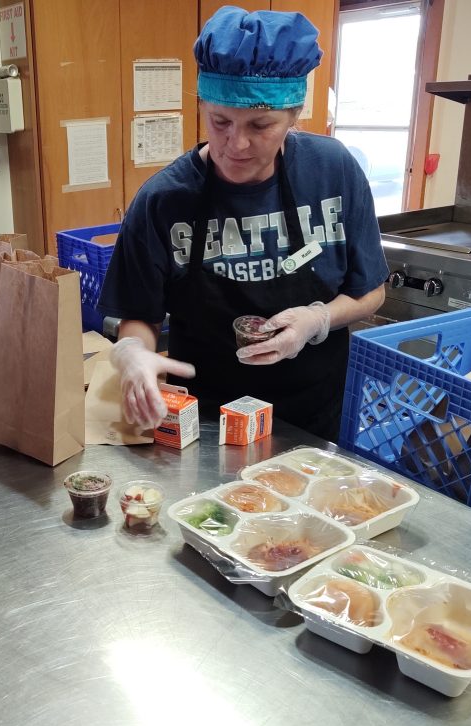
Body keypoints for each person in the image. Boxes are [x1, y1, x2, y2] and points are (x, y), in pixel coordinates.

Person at [98, 6, 388, 442]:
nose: (236, 143)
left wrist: (318, 319)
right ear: (202, 106)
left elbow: (370, 292)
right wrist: (133, 354)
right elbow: (139, 314)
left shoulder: (333, 172)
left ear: (294, 115)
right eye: (220, 121)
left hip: (310, 423)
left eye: (261, 124)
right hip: (206, 423)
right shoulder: (163, 200)